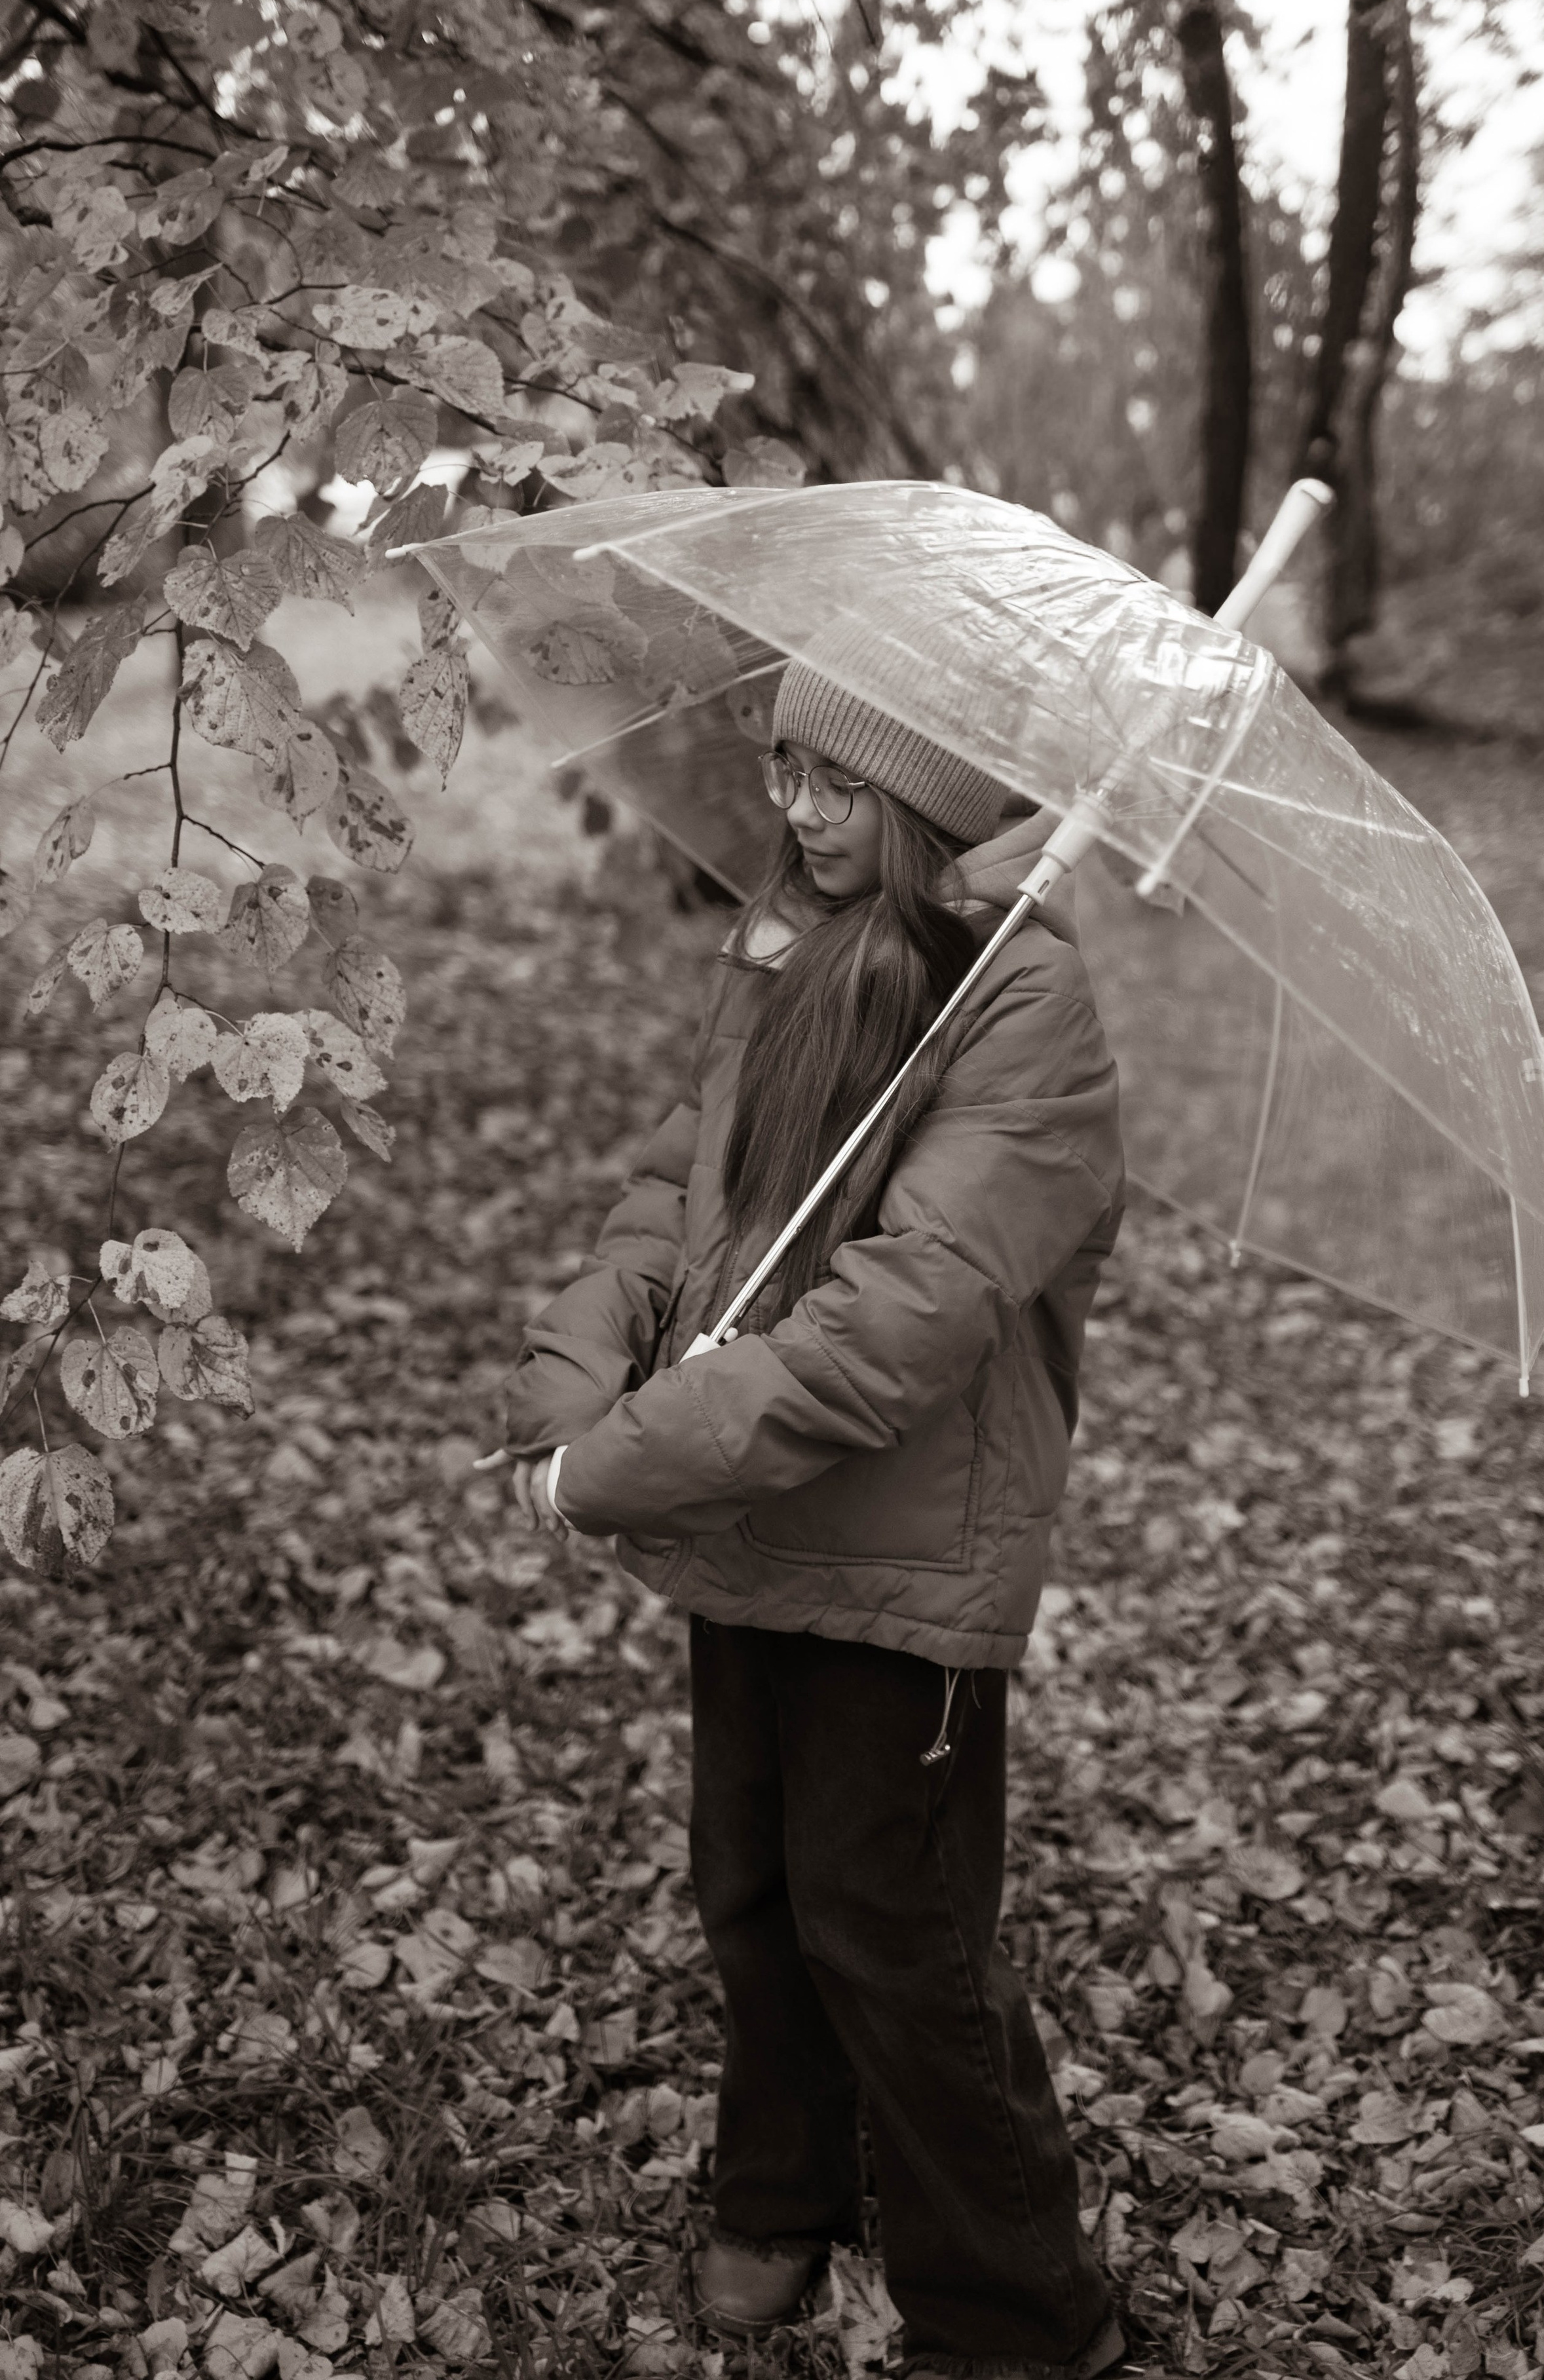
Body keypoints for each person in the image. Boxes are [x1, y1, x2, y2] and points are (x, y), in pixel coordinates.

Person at [485, 659, 1127, 2380]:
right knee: (752, 1890)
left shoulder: (1022, 1011)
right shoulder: (782, 950)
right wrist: (585, 1349)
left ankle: (1011, 2313)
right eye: (781, 768)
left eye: (837, 784)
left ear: (921, 803)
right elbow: (680, 1194)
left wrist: (615, 1468)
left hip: (902, 1553)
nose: (796, 808)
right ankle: (782, 2194)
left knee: (894, 1932)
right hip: (742, 1516)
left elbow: (891, 1331)